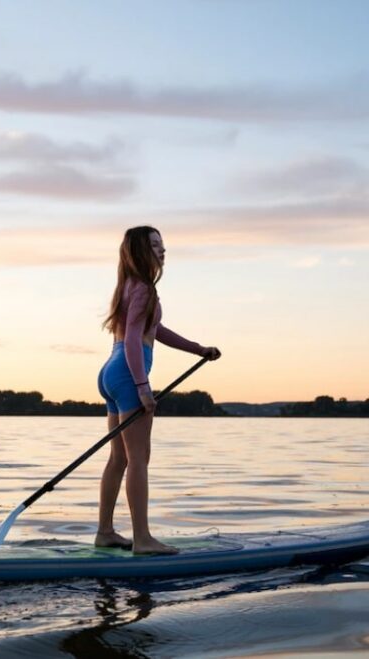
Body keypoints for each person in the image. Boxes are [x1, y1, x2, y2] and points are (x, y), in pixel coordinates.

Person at [96, 226, 221, 555]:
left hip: (111, 371)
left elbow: (155, 329)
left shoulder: (127, 286)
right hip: (126, 373)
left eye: (163, 244)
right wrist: (142, 386)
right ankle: (143, 539)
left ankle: (105, 532)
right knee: (139, 459)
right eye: (155, 245)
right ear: (139, 251)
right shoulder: (144, 289)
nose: (162, 250)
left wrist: (197, 348)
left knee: (118, 458)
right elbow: (136, 339)